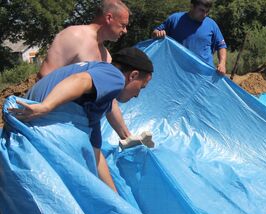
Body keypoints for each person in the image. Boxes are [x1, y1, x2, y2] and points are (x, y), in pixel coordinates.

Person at [9, 47, 154, 193]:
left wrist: (114, 198)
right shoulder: (114, 76)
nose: (137, 95)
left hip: (20, 145)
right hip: (44, 135)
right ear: (133, 75)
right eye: (141, 87)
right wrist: (46, 106)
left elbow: (95, 154)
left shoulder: (96, 102)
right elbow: (80, 80)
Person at [38, 0, 137, 142]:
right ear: (109, 18)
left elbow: (110, 101)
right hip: (54, 121)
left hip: (79, 123)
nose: (125, 31)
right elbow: (44, 77)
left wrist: (127, 137)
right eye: (123, 25)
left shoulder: (106, 56)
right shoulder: (74, 36)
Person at [152, 0, 228, 74]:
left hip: (202, 74)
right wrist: (158, 33)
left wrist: (222, 64)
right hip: (176, 71)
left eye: (207, 11)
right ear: (192, 6)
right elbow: (155, 33)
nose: (204, 14)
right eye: (201, 10)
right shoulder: (175, 19)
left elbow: (221, 46)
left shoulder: (212, 24)